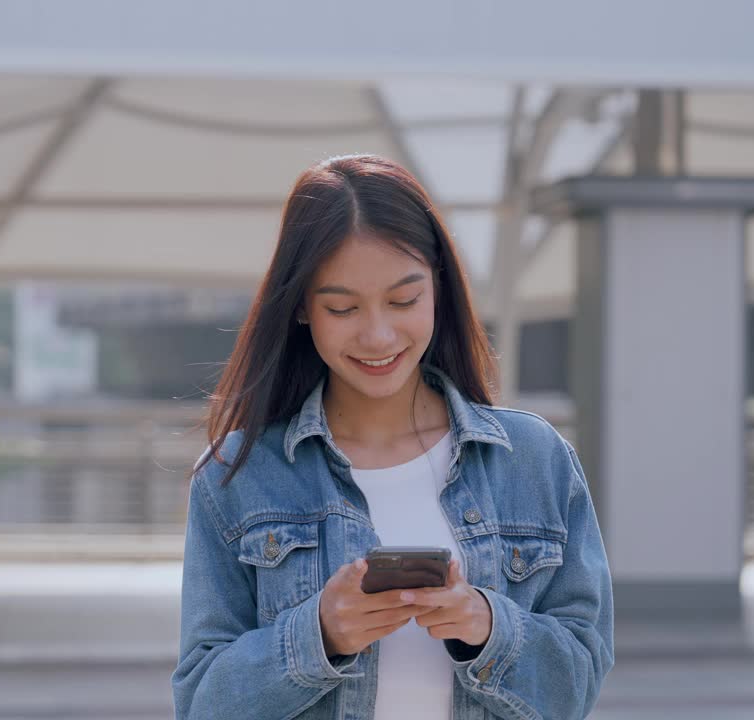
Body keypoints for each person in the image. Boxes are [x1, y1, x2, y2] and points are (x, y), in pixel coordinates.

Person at [172, 154, 613, 719]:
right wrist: (319, 636)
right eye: (343, 307)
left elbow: (579, 682)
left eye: (404, 300)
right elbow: (202, 705)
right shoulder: (238, 472)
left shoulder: (534, 461)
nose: (378, 335)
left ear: (439, 289)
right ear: (303, 307)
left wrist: (485, 624)